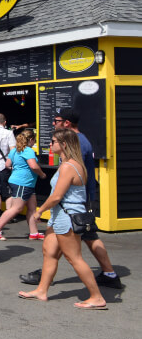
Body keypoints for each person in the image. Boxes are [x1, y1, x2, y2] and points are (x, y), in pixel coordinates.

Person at [20, 108, 123, 289]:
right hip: (73, 203)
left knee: (76, 247)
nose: (54, 123)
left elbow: (67, 183)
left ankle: (101, 283)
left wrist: (41, 210)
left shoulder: (76, 144)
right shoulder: (75, 143)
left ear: (66, 123)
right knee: (75, 240)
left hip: (75, 203)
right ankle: (107, 273)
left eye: (56, 120)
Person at [17, 129, 108, 310]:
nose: (50, 145)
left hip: (67, 217)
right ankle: (42, 290)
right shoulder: (70, 164)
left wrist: (39, 211)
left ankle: (97, 297)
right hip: (59, 217)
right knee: (49, 252)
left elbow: (57, 196)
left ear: (64, 144)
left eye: (53, 142)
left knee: (74, 258)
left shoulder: (68, 166)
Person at [0, 129, 45, 241]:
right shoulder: (28, 151)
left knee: (32, 208)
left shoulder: (15, 151)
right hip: (22, 183)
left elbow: (7, 164)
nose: (34, 142)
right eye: (34, 140)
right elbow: (33, 166)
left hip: (25, 183)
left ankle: (34, 233)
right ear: (30, 140)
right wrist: (42, 174)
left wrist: (17, 168)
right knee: (17, 208)